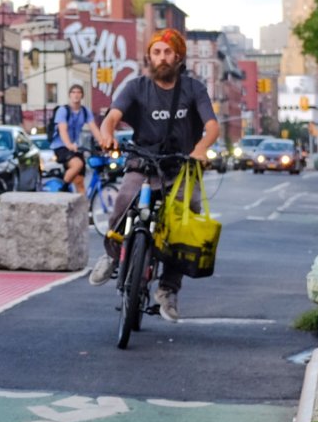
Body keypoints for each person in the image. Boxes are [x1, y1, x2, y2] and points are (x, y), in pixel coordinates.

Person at [87, 28, 220, 321]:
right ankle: (111, 256)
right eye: (157, 52)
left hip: (182, 167)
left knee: (187, 217)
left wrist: (200, 149)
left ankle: (168, 290)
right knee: (123, 201)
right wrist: (107, 136)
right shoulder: (136, 87)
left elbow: (212, 126)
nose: (162, 57)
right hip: (144, 162)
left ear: (178, 56)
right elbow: (111, 118)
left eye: (168, 52)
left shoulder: (193, 89)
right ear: (149, 56)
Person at [51, 84, 93, 194]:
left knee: (80, 181)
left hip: (75, 147)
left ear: (82, 95)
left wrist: (104, 142)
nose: (76, 95)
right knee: (77, 164)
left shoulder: (85, 111)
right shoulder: (63, 110)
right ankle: (63, 189)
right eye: (73, 92)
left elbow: (94, 128)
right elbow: (62, 130)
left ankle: (85, 210)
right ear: (69, 95)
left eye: (79, 92)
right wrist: (69, 145)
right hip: (61, 147)